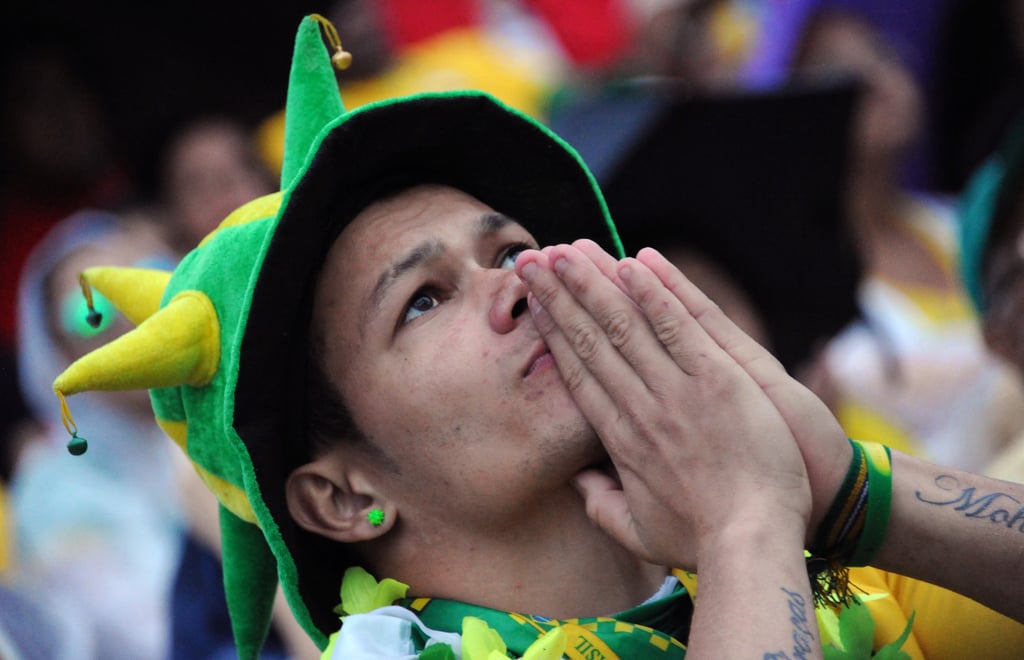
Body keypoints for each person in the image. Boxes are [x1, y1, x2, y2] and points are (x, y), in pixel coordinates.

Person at [52, 15, 1024, 659]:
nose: (520, 284)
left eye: (512, 249)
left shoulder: (820, 566)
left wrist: (850, 491)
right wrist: (744, 531)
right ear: (345, 498)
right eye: (421, 301)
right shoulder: (754, 541)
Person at [790, 6, 1024, 471]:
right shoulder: (796, 281)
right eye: (838, 69)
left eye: (882, 53)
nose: (877, 78)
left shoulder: (972, 223)